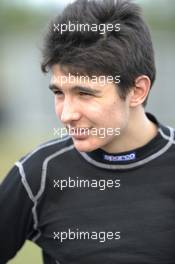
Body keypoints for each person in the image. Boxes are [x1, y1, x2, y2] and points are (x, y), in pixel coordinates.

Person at [0, 0, 175, 263]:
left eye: (85, 93)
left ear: (137, 91)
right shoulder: (37, 174)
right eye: (59, 93)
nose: (67, 114)